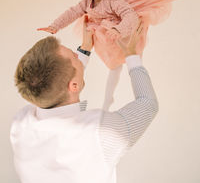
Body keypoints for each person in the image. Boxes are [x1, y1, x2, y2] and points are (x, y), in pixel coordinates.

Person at [11, 18, 158, 183]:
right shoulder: (98, 131)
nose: (77, 54)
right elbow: (148, 103)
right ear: (73, 85)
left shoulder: (21, 122)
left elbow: (53, 83)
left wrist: (85, 48)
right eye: (75, 56)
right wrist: (131, 54)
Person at [37, 0, 186, 110]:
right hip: (104, 38)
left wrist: (118, 29)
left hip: (120, 33)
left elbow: (131, 16)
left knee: (126, 61)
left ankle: (128, 91)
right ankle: (109, 98)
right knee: (113, 66)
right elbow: (74, 11)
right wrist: (55, 26)